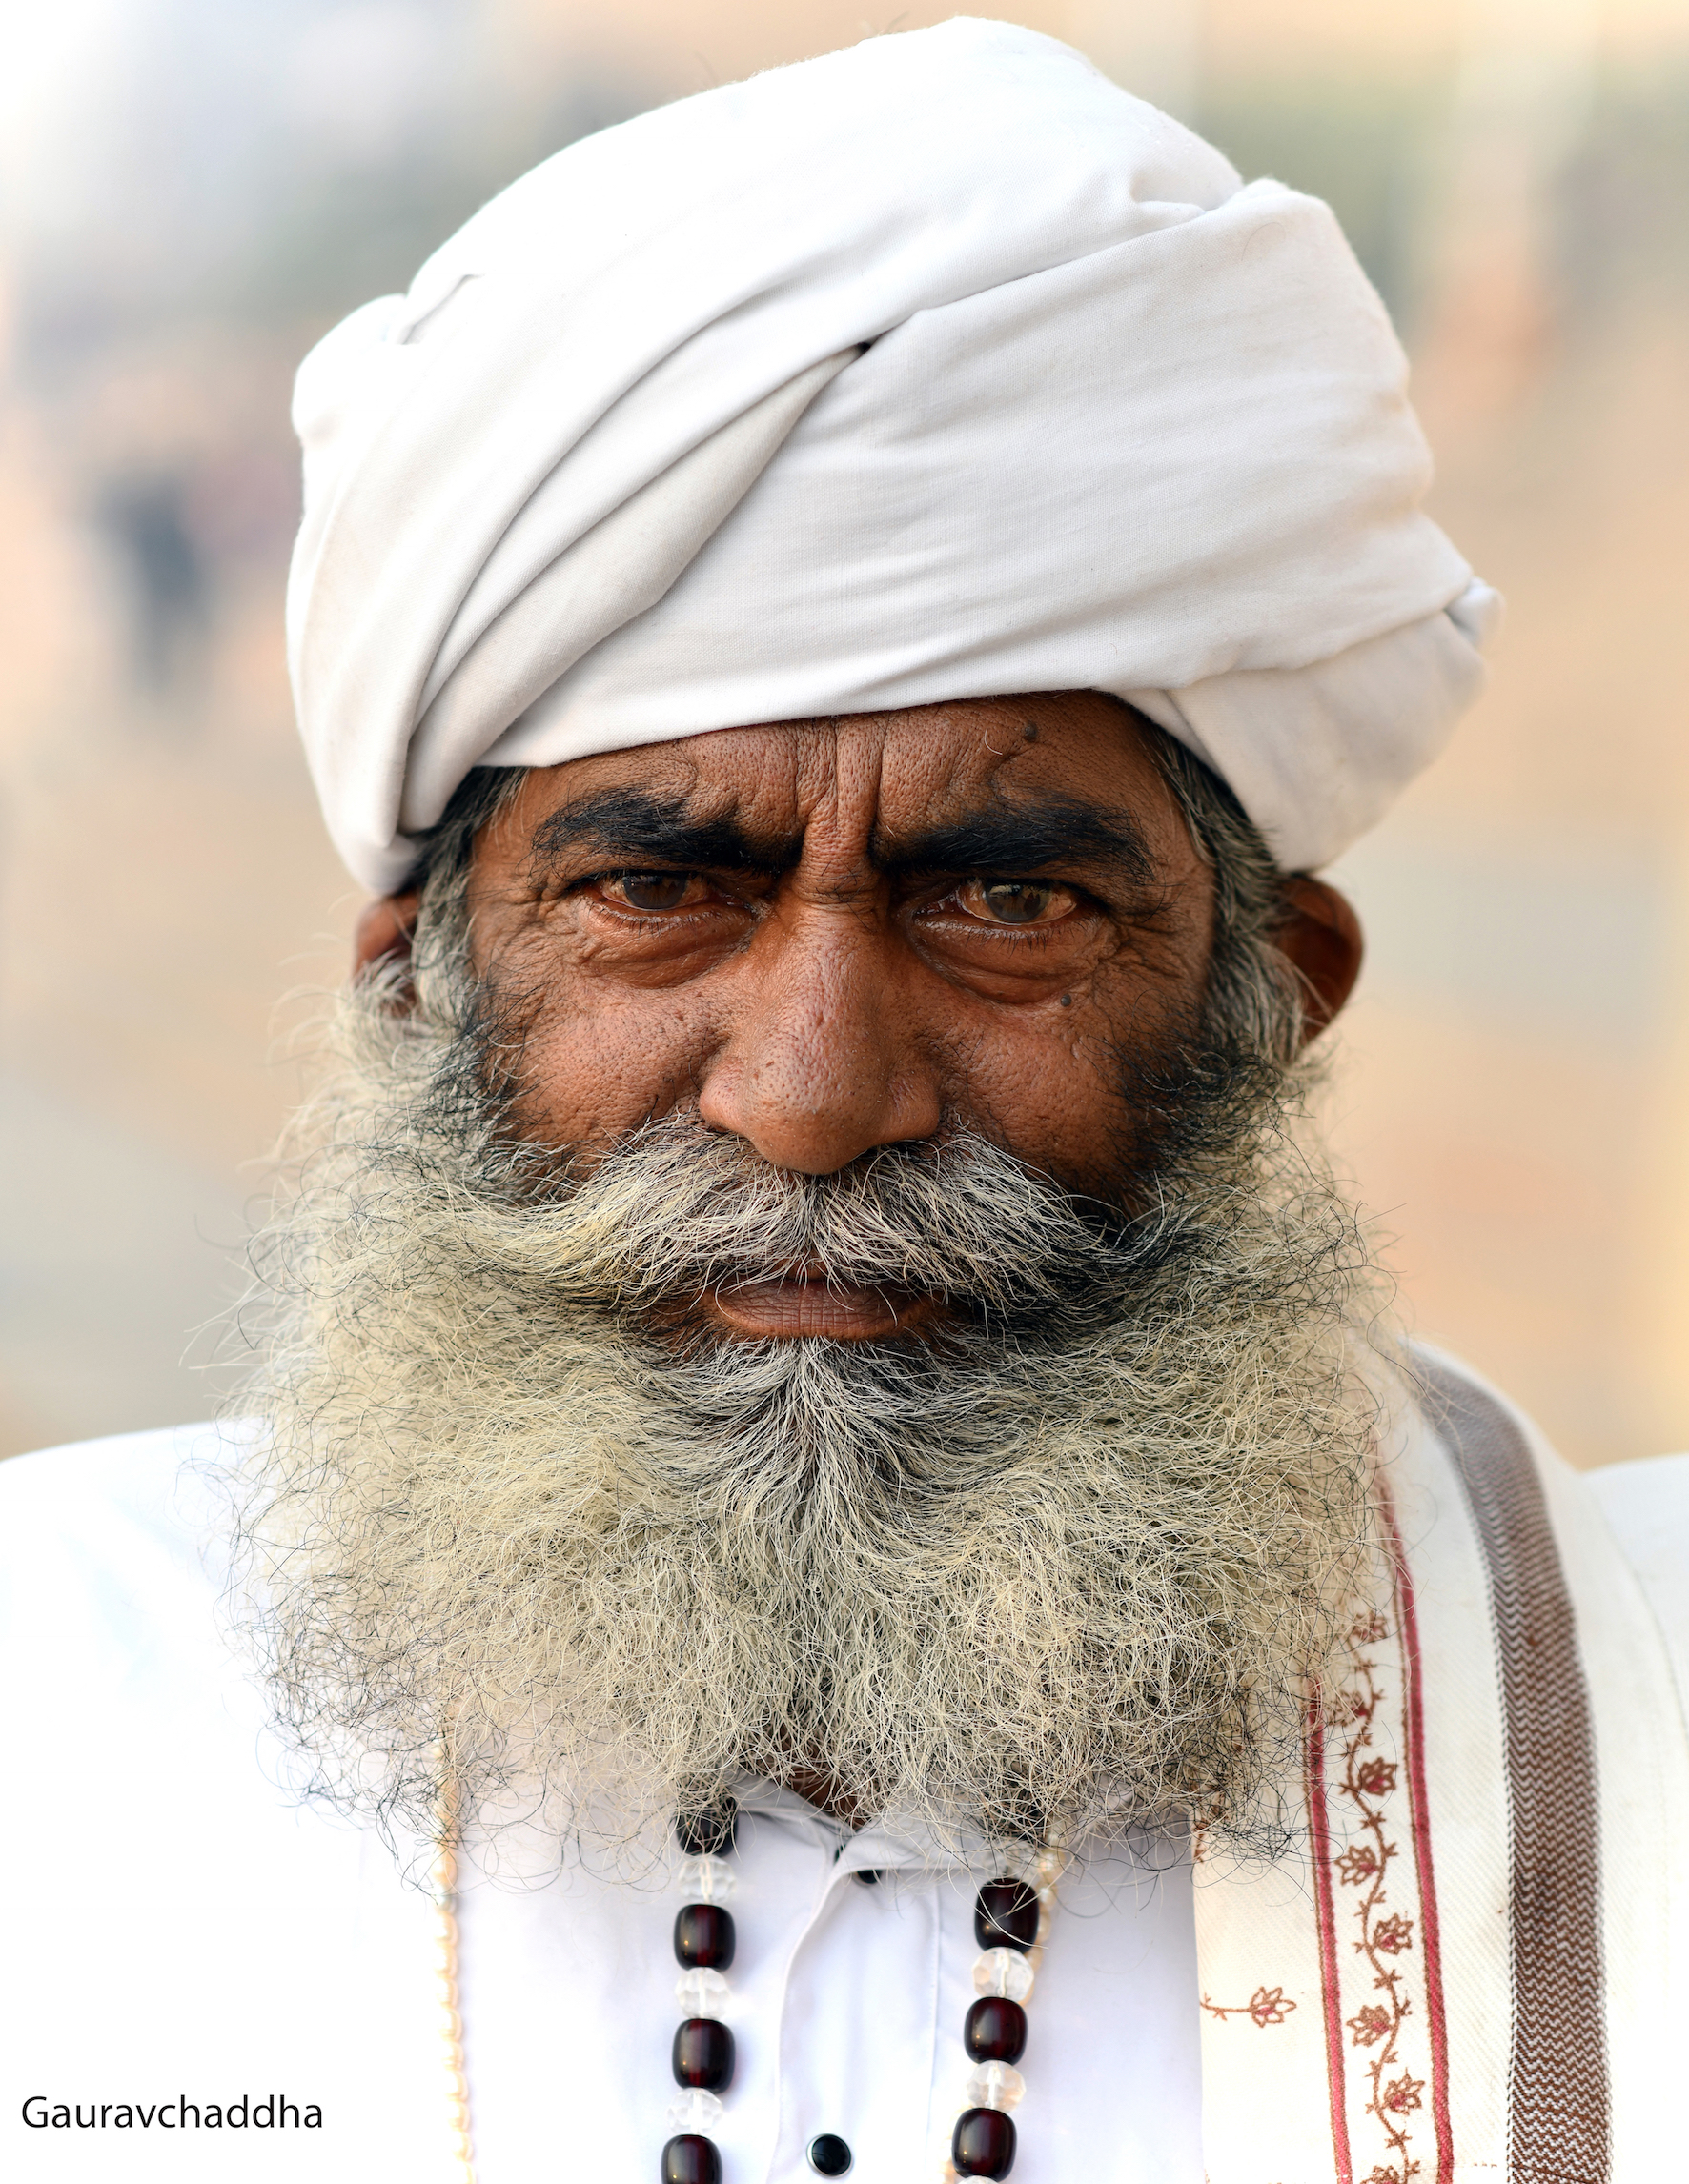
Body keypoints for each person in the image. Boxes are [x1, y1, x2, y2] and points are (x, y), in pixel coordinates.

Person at [4, 22, 1685, 2183]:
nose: (813, 1099)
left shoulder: (1648, 1701)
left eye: (1001, 902)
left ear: (1272, 1001)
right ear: (417, 999)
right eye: (652, 893)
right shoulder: (54, 1697)